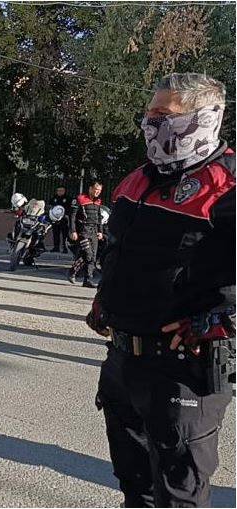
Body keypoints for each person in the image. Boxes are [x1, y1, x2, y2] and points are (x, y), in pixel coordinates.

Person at [87, 73, 234, 508]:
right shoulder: (138, 179)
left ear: (204, 118)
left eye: (163, 116)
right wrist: (103, 300)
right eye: (148, 116)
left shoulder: (228, 185)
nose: (151, 126)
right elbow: (118, 250)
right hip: (123, 360)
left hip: (184, 370)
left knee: (178, 496)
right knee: (135, 487)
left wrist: (217, 317)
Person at [68, 180, 103, 288]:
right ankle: (72, 271)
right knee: (88, 254)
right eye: (96, 190)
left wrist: (100, 231)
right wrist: (73, 231)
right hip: (83, 231)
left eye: (99, 190)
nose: (97, 192)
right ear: (90, 188)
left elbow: (99, 218)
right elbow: (72, 216)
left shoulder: (98, 201)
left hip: (94, 232)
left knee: (92, 256)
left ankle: (87, 279)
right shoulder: (80, 199)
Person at [48, 186, 71, 253]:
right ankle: (56, 247)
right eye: (58, 190)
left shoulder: (68, 198)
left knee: (65, 234)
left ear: (64, 191)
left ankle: (65, 248)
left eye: (61, 190)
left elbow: (70, 208)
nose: (60, 192)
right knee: (55, 233)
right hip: (55, 219)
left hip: (64, 219)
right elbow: (50, 206)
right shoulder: (54, 198)